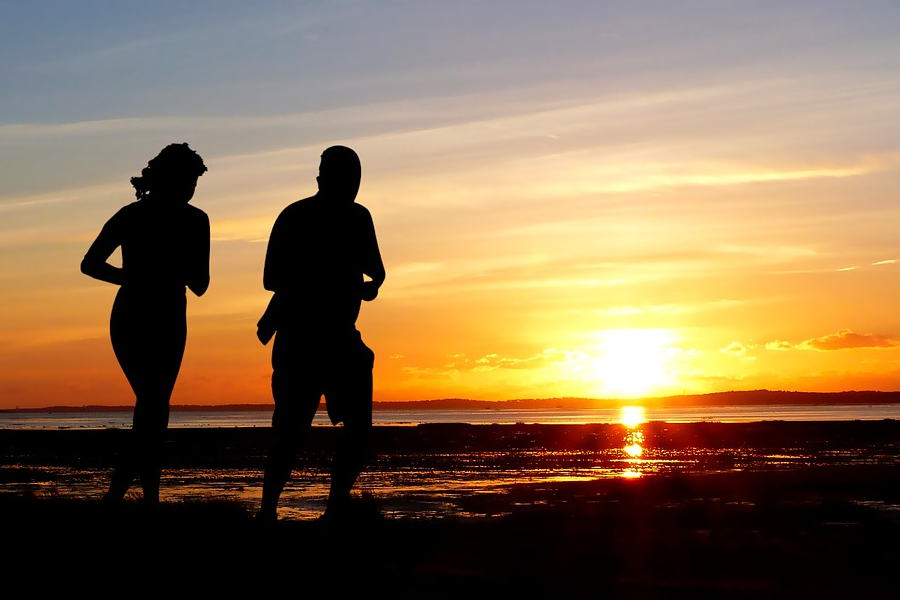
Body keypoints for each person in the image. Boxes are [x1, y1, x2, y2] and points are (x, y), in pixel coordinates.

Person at [258, 145, 385, 521]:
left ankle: (334, 509)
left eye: (355, 179)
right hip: (299, 338)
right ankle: (267, 511)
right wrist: (324, 279)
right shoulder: (295, 216)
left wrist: (369, 286)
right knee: (289, 430)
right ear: (321, 177)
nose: (352, 186)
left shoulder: (360, 217)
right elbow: (271, 278)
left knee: (358, 429)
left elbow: (376, 271)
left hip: (343, 337)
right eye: (344, 177)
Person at [81, 143, 210, 505]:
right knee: (153, 403)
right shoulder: (137, 215)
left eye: (194, 182)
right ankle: (134, 494)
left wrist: (152, 273)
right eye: (188, 180)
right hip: (136, 314)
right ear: (170, 178)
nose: (190, 189)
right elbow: (90, 263)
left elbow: (200, 283)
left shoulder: (194, 220)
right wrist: (134, 278)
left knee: (155, 405)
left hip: (168, 314)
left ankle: (134, 494)